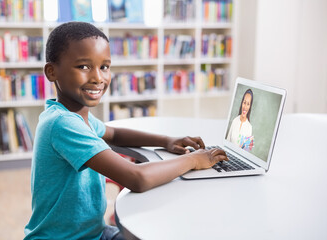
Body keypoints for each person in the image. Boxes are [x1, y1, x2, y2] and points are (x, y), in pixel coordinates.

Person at [24, 22, 227, 240]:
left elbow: (113, 134)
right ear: (51, 72)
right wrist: (194, 160)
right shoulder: (62, 123)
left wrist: (167, 140)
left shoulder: (75, 116)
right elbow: (136, 178)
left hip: (92, 232)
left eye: (104, 67)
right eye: (84, 67)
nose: (98, 78)